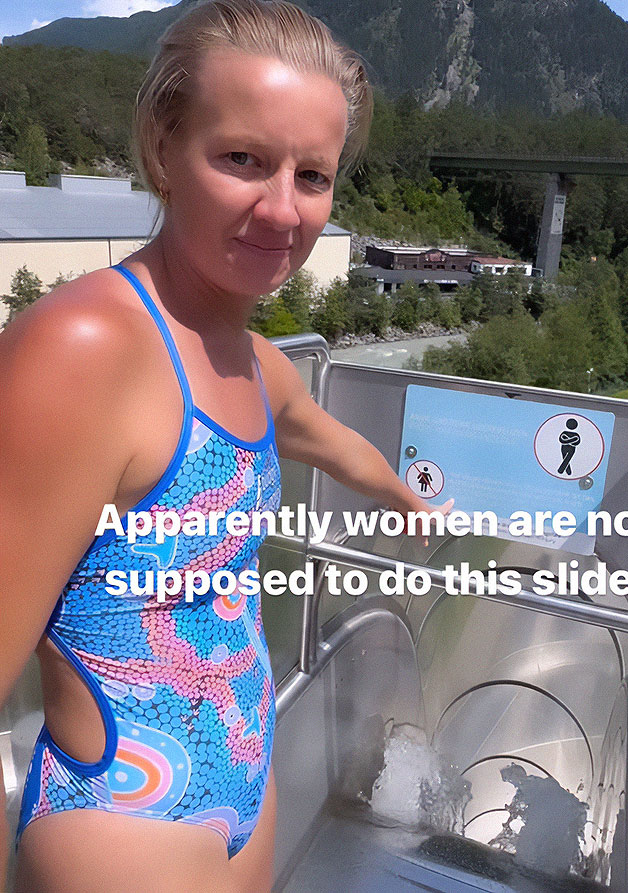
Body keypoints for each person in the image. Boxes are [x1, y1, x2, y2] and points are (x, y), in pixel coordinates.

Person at [0, 2, 452, 890]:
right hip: (126, 815)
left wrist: (409, 503)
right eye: (242, 158)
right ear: (164, 146)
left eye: (312, 175)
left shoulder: (257, 366)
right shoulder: (84, 349)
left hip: (246, 787)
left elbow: (332, 440)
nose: (282, 209)